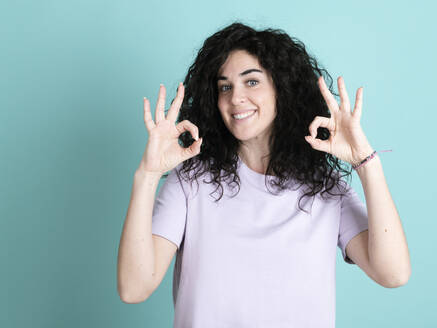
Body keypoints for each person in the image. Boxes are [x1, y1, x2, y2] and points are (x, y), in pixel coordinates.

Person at [117, 22, 411, 327]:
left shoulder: (326, 189)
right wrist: (148, 175)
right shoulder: (189, 182)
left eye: (252, 82)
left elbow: (393, 273)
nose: (235, 98)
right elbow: (134, 288)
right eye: (225, 87)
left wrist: (367, 163)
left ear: (282, 89)